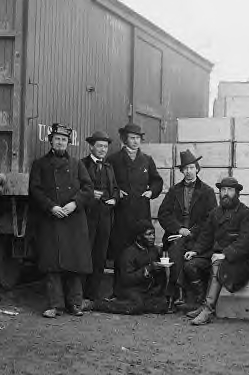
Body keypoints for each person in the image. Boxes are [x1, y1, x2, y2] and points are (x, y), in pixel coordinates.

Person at [29, 123, 94, 318]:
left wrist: (74, 204)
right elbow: (35, 190)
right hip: (51, 220)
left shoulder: (77, 164)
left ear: (68, 142)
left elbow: (88, 188)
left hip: (73, 220)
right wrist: (51, 207)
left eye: (64, 140)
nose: (60, 142)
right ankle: (55, 305)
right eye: (57, 139)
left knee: (74, 264)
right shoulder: (40, 164)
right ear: (50, 141)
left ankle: (75, 304)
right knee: (52, 265)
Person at [185, 177, 249, 326]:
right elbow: (206, 235)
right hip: (216, 256)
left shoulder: (246, 214)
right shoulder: (215, 213)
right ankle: (202, 304)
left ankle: (208, 310)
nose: (225, 193)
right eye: (223, 190)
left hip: (238, 262)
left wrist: (225, 254)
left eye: (230, 190)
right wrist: (196, 251)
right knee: (191, 265)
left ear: (237, 193)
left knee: (217, 263)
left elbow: (245, 242)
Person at [107, 123, 163, 296]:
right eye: (132, 138)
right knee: (121, 251)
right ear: (125, 139)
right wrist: (116, 192)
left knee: (140, 250)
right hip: (122, 213)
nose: (135, 141)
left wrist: (151, 191)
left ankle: (141, 291)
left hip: (141, 213)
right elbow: (106, 182)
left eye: (138, 138)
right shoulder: (113, 159)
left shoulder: (147, 160)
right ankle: (117, 291)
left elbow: (157, 181)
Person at [157, 149, 217, 309]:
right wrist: (179, 229)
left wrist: (192, 231)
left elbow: (210, 219)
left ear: (197, 168)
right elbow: (163, 214)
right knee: (175, 251)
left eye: (192, 167)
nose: (189, 171)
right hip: (177, 236)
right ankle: (175, 295)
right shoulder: (174, 190)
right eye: (186, 168)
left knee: (180, 253)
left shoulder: (207, 192)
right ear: (181, 171)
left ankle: (176, 295)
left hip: (198, 238)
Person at [95, 220, 168, 315]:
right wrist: (147, 269)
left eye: (153, 234)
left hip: (146, 290)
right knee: (136, 306)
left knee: (162, 305)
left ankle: (140, 304)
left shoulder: (154, 251)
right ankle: (99, 304)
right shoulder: (128, 253)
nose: (152, 237)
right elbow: (126, 279)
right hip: (129, 290)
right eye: (148, 235)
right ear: (139, 237)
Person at [81, 130, 119, 307]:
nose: (103, 149)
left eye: (105, 146)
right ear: (91, 147)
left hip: (105, 217)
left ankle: (92, 295)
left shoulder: (109, 167)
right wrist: (90, 195)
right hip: (87, 217)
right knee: (84, 254)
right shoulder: (81, 164)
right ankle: (78, 294)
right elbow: (75, 189)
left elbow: (116, 189)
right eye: (99, 146)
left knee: (100, 256)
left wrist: (115, 199)